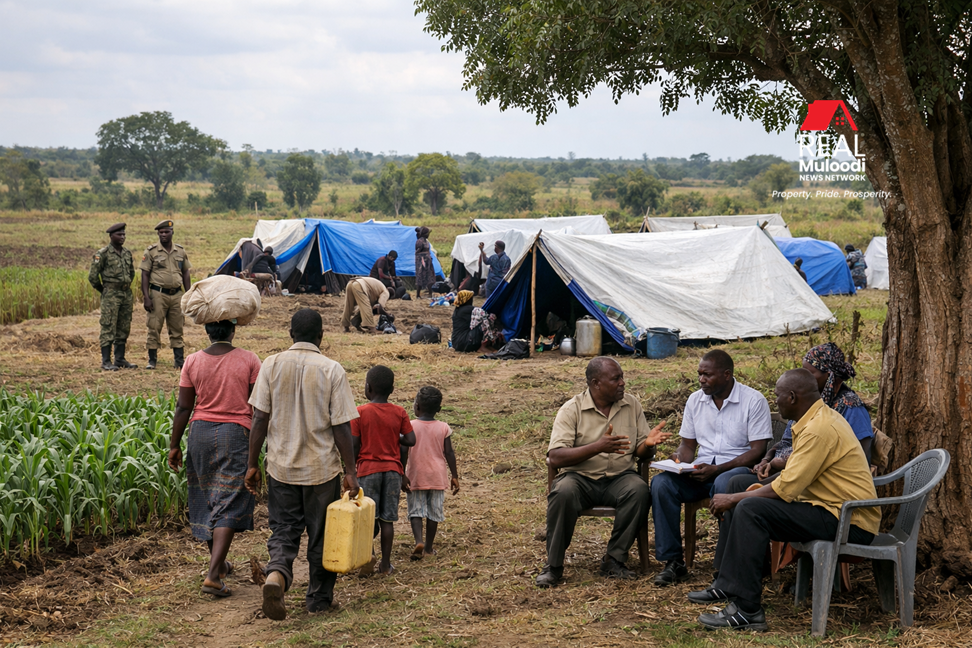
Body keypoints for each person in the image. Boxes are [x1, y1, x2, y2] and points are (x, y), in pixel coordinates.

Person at [687, 369, 878, 631]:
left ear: (791, 397)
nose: (773, 401)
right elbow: (792, 477)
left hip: (848, 520)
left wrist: (734, 499)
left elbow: (785, 488)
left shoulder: (819, 429)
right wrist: (740, 492)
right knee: (738, 483)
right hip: (825, 506)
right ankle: (727, 584)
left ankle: (748, 610)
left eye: (776, 396)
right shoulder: (813, 419)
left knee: (749, 508)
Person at [244, 309, 360, 620]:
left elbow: (259, 419)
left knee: (283, 530)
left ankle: (276, 576)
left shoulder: (271, 364)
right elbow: (341, 427)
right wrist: (350, 471)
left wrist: (252, 464)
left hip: (281, 467)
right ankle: (319, 600)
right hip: (321, 470)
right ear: (321, 337)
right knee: (322, 535)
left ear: (291, 335)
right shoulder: (332, 369)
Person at [537, 357, 671, 587]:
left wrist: (648, 445)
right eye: (616, 378)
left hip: (619, 478)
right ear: (596, 383)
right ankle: (554, 565)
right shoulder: (572, 409)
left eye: (622, 377)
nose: (622, 383)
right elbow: (556, 456)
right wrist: (597, 447)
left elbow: (641, 453)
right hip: (580, 479)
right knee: (563, 492)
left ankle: (614, 559)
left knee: (639, 489)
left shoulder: (632, 405)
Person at [651, 349, 773, 587]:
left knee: (724, 484)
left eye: (707, 375)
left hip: (737, 471)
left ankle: (727, 566)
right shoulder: (695, 400)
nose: (701, 380)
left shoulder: (753, 400)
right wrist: (678, 460)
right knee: (661, 484)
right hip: (701, 470)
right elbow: (688, 445)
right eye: (699, 374)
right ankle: (673, 562)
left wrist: (718, 469)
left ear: (727, 375)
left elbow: (757, 451)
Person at [168, 319, 262, 597]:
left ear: (207, 332)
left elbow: (184, 406)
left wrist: (174, 445)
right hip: (235, 434)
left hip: (199, 433)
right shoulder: (250, 360)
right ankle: (213, 575)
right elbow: (258, 408)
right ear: (233, 331)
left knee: (209, 496)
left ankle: (218, 566)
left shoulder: (193, 361)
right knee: (229, 499)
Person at [351, 365, 416, 575]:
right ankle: (386, 565)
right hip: (392, 472)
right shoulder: (399, 412)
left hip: (367, 471)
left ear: (368, 388)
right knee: (387, 520)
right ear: (392, 389)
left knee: (366, 518)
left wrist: (349, 471)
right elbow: (410, 440)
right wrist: (394, 435)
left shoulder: (359, 412)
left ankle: (367, 558)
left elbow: (353, 444)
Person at [402, 386, 459, 560]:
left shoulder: (410, 426)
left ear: (417, 406)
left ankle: (418, 540)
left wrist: (401, 473)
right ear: (439, 409)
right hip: (437, 475)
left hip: (416, 475)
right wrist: (455, 476)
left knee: (416, 511)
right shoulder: (443, 427)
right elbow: (449, 453)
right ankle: (428, 547)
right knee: (434, 513)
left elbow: (403, 451)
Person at [140, 219, 191, 369]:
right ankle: (152, 360)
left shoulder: (180, 251)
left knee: (177, 327)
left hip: (177, 294)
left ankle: (179, 360)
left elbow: (186, 273)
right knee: (154, 326)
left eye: (166, 232)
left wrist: (188, 294)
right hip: (158, 294)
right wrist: (146, 297)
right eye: (161, 232)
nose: (163, 235)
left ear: (172, 232)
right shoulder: (151, 252)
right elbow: (145, 275)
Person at [88, 222, 136, 371]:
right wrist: (104, 290)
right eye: (119, 235)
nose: (122, 237)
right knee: (108, 326)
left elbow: (131, 273)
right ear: (111, 236)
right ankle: (106, 361)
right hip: (111, 294)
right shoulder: (102, 254)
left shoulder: (127, 253)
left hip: (125, 294)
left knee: (124, 326)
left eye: (124, 234)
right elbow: (93, 277)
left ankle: (120, 359)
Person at [415, 227, 435, 300]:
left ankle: (430, 293)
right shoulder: (419, 241)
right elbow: (417, 252)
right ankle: (418, 294)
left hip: (427, 261)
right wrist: (423, 258)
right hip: (421, 262)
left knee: (429, 276)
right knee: (420, 276)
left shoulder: (426, 241)